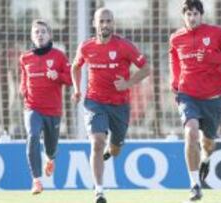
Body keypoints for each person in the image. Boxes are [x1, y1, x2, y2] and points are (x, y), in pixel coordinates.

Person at [71, 8, 151, 203]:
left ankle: (111, 148)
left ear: (113, 24)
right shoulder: (86, 47)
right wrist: (76, 90)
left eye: (108, 21)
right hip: (94, 102)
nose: (105, 25)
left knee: (115, 149)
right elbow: (75, 67)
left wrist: (127, 83)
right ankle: (99, 191)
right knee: (97, 142)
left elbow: (146, 68)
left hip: (119, 105)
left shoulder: (124, 46)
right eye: (101, 21)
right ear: (94, 23)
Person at [169, 0, 221, 201]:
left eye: (195, 14)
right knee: (190, 133)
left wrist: (210, 56)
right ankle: (194, 185)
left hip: (212, 97)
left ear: (201, 15)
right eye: (188, 14)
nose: (192, 18)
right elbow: (174, 62)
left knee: (207, 143)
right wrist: (175, 83)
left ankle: (206, 159)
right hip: (187, 95)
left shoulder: (215, 33)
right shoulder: (176, 38)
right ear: (184, 16)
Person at [19, 19, 72, 195]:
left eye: (43, 32)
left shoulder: (59, 56)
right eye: (36, 32)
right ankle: (36, 181)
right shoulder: (25, 58)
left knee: (51, 148)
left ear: (49, 35)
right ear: (32, 36)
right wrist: (23, 90)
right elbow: (24, 80)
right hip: (32, 108)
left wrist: (57, 75)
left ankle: (50, 159)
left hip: (53, 111)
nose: (39, 35)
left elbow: (71, 79)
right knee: (32, 136)